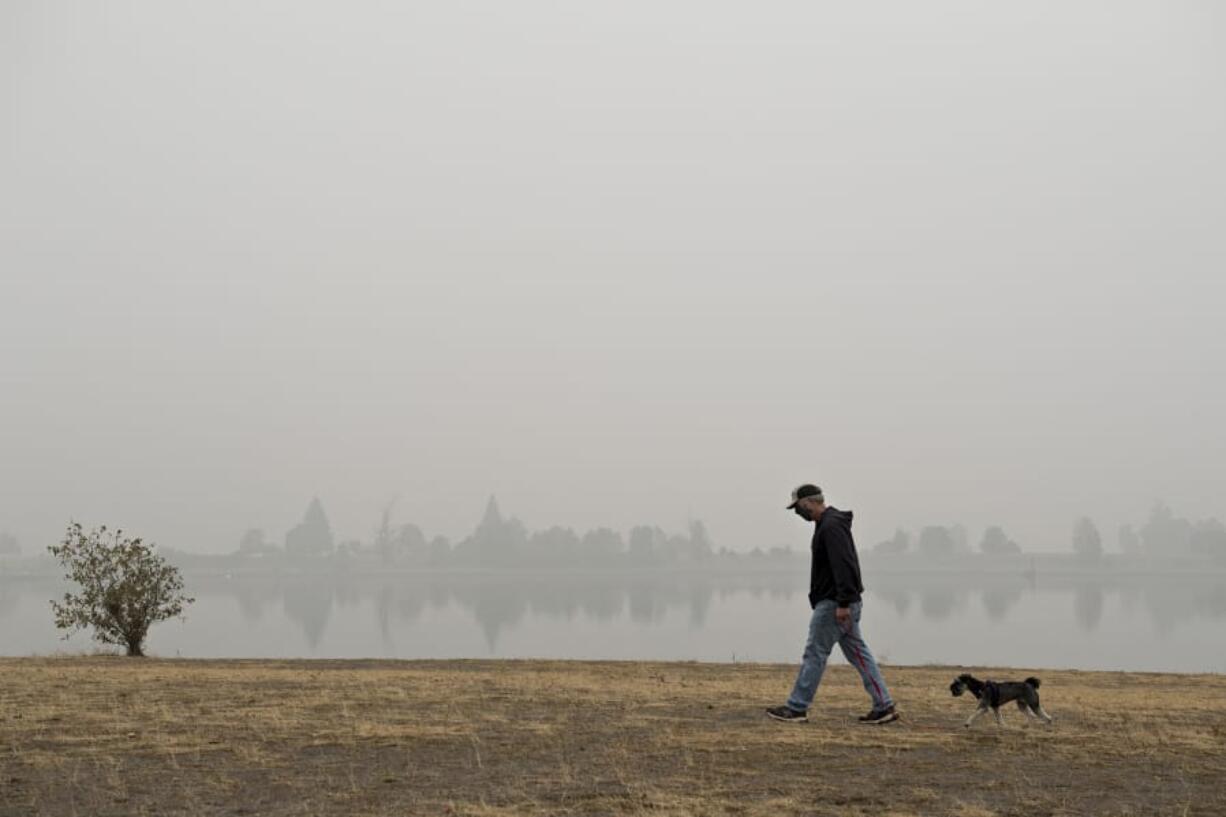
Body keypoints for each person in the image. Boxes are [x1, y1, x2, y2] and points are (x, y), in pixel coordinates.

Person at [766, 484, 898, 725]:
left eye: (797, 508)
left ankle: (796, 707)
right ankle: (884, 705)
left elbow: (844, 564)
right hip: (841, 602)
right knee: (859, 654)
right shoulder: (828, 524)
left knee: (814, 653)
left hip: (834, 604)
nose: (797, 512)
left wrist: (843, 602)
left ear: (808, 503)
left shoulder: (831, 526)